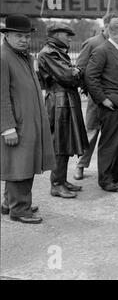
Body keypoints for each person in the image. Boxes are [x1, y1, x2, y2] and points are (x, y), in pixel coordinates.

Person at [1, 14, 55, 224]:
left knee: (21, 163)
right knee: (19, 166)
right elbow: (1, 96)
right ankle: (20, 209)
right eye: (18, 36)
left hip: (27, 122)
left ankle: (9, 203)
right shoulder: (4, 57)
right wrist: (7, 128)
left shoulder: (22, 55)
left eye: (26, 36)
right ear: (7, 35)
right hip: (17, 124)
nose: (24, 39)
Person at [85, 18, 118, 192]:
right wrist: (103, 99)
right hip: (112, 105)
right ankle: (105, 178)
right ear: (114, 33)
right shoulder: (102, 51)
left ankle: (117, 170)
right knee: (109, 142)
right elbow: (90, 78)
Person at [38, 22, 89, 199]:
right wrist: (75, 72)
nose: (69, 37)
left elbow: (72, 75)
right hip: (58, 101)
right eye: (66, 34)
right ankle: (56, 184)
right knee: (60, 143)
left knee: (66, 141)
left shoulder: (57, 52)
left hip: (65, 99)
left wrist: (75, 73)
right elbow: (67, 76)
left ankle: (62, 180)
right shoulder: (49, 53)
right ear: (55, 35)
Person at [73, 13, 117, 180]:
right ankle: (81, 166)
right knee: (91, 132)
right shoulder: (92, 43)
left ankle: (108, 170)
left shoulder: (117, 44)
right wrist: (90, 91)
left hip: (113, 98)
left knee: (110, 136)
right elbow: (80, 69)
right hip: (96, 99)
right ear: (105, 26)